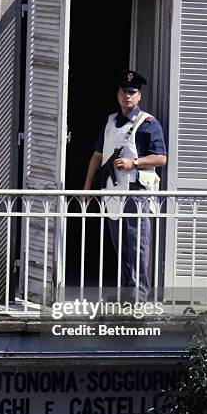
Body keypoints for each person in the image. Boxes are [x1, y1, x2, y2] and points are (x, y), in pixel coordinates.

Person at [83, 69, 167, 299]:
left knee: (137, 246)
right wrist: (87, 188)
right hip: (112, 191)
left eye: (132, 92)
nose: (127, 95)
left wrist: (135, 162)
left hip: (136, 192)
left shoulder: (148, 123)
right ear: (117, 93)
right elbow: (97, 156)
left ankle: (139, 297)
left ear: (139, 95)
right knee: (119, 246)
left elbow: (160, 158)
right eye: (123, 91)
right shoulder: (110, 121)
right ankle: (125, 294)